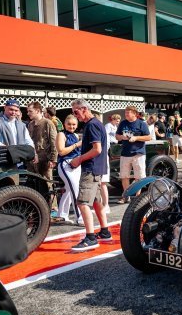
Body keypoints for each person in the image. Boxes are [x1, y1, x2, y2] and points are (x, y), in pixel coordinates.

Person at [69, 99, 110, 251]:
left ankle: (90, 237)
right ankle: (104, 231)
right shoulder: (96, 123)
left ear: (84, 109)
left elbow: (97, 149)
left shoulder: (92, 125)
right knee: (95, 201)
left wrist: (78, 159)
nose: (75, 115)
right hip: (96, 168)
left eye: (76, 111)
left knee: (82, 202)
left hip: (91, 168)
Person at [116, 106, 151, 203]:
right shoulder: (123, 123)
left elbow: (148, 137)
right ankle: (126, 196)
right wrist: (121, 137)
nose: (126, 114)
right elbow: (117, 136)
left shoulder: (141, 123)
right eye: (126, 112)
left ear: (135, 114)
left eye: (128, 112)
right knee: (124, 176)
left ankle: (138, 197)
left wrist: (136, 138)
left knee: (138, 177)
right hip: (125, 153)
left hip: (138, 153)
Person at [56, 115, 83, 225]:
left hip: (76, 164)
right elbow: (61, 151)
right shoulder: (61, 134)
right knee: (74, 190)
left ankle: (62, 215)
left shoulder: (76, 135)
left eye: (74, 124)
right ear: (64, 124)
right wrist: (76, 145)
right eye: (69, 124)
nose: (71, 126)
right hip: (65, 164)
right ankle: (80, 217)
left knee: (68, 189)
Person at [26, 101, 58, 180]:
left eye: (30, 111)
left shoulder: (48, 123)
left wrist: (53, 159)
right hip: (32, 160)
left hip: (45, 160)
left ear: (37, 111)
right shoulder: (30, 124)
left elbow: (54, 142)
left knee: (47, 184)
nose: (28, 113)